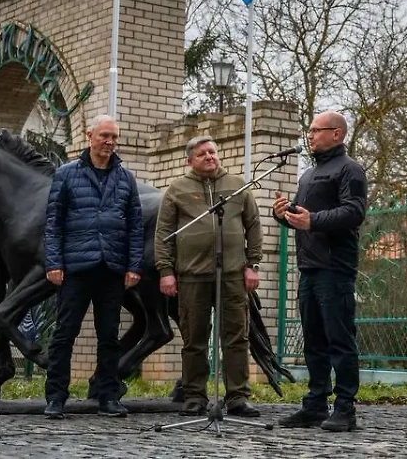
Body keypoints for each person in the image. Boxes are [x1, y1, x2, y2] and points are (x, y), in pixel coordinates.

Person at [42, 114, 144, 419]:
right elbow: (53, 223)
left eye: (114, 137)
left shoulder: (126, 178)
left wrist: (134, 265)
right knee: (64, 334)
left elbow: (135, 226)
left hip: (111, 268)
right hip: (75, 268)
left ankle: (108, 395)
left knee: (109, 336)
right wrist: (54, 262)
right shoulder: (66, 174)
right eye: (104, 136)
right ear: (90, 136)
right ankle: (56, 397)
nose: (110, 142)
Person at [272, 111, 367, 432]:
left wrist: (313, 220)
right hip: (308, 266)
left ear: (337, 134)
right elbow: (303, 216)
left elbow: (353, 212)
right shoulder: (308, 175)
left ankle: (345, 408)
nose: (309, 135)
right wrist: (283, 215)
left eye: (316, 130)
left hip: (335, 267)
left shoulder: (350, 170)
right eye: (309, 130)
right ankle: (315, 404)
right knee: (313, 340)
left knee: (339, 339)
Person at [154, 135, 263, 417]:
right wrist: (166, 271)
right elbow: (164, 233)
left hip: (232, 275)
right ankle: (195, 396)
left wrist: (253, 265)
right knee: (194, 339)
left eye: (213, 152)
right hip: (192, 275)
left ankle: (238, 396)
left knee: (236, 337)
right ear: (190, 160)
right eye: (202, 154)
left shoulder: (238, 186)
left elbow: (253, 226)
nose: (210, 157)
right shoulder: (177, 189)